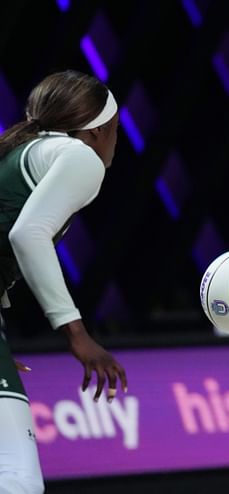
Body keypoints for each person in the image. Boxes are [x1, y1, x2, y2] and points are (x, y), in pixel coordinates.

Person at [0, 70, 128, 494]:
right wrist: (76, 333)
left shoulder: (24, 151)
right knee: (16, 478)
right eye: (115, 129)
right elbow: (27, 234)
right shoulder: (80, 158)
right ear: (97, 131)